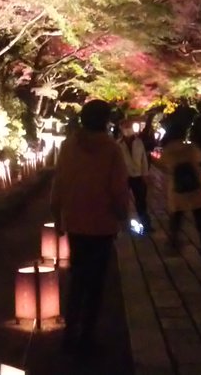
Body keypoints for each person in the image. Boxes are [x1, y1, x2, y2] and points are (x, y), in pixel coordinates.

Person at [50, 99, 129, 353]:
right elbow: (118, 188)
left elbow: (59, 182)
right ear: (105, 120)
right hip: (102, 224)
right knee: (96, 284)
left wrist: (57, 215)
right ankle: (86, 336)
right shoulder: (112, 149)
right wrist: (123, 216)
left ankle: (69, 334)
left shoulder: (68, 146)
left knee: (78, 279)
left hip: (76, 222)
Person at [154, 107, 201, 268]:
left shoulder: (168, 151)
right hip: (196, 190)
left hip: (178, 192)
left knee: (176, 221)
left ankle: (173, 247)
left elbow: (163, 165)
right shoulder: (190, 147)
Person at [119, 121, 151, 234]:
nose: (127, 129)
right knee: (123, 201)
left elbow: (144, 159)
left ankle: (146, 224)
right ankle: (123, 225)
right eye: (125, 127)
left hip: (138, 175)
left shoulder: (139, 142)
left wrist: (145, 174)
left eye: (129, 127)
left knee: (141, 201)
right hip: (124, 177)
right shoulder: (118, 144)